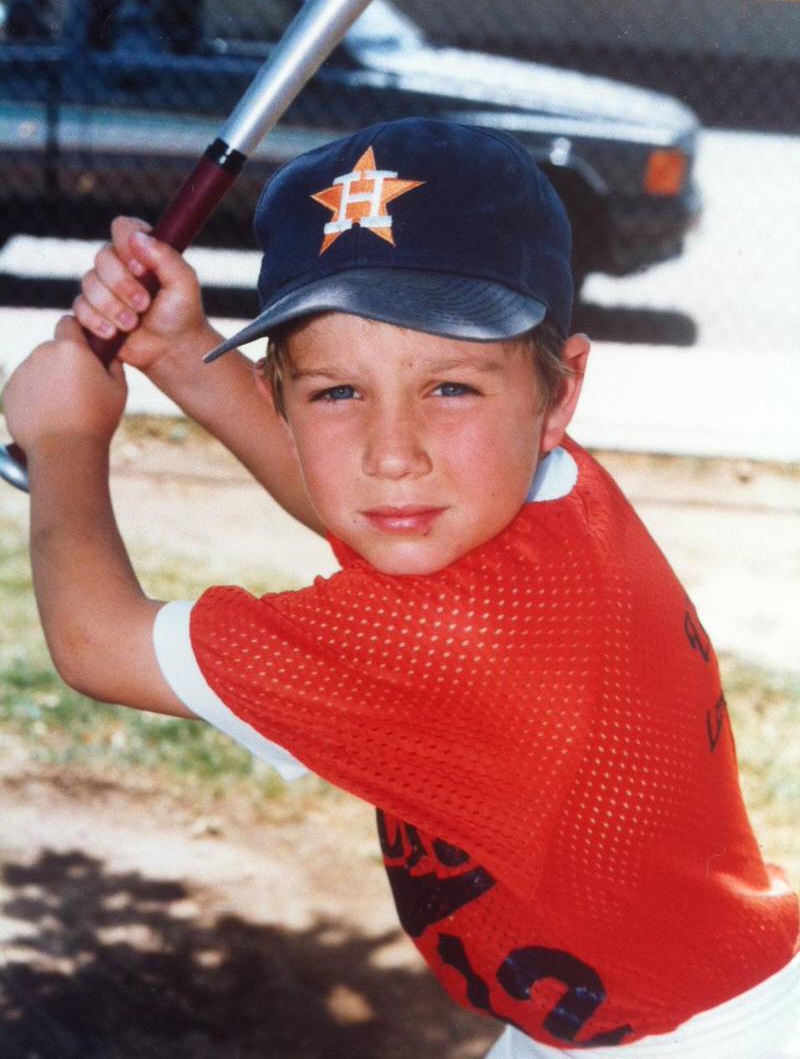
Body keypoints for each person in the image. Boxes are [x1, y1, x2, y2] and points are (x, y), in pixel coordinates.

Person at [3, 117, 798, 1058]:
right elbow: (371, 511)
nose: (393, 454)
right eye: (337, 392)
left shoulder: (444, 637)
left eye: (449, 387)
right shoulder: (541, 486)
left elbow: (99, 644)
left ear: (558, 392)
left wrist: (64, 441)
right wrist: (181, 355)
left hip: (677, 1039)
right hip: (673, 992)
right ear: (285, 390)